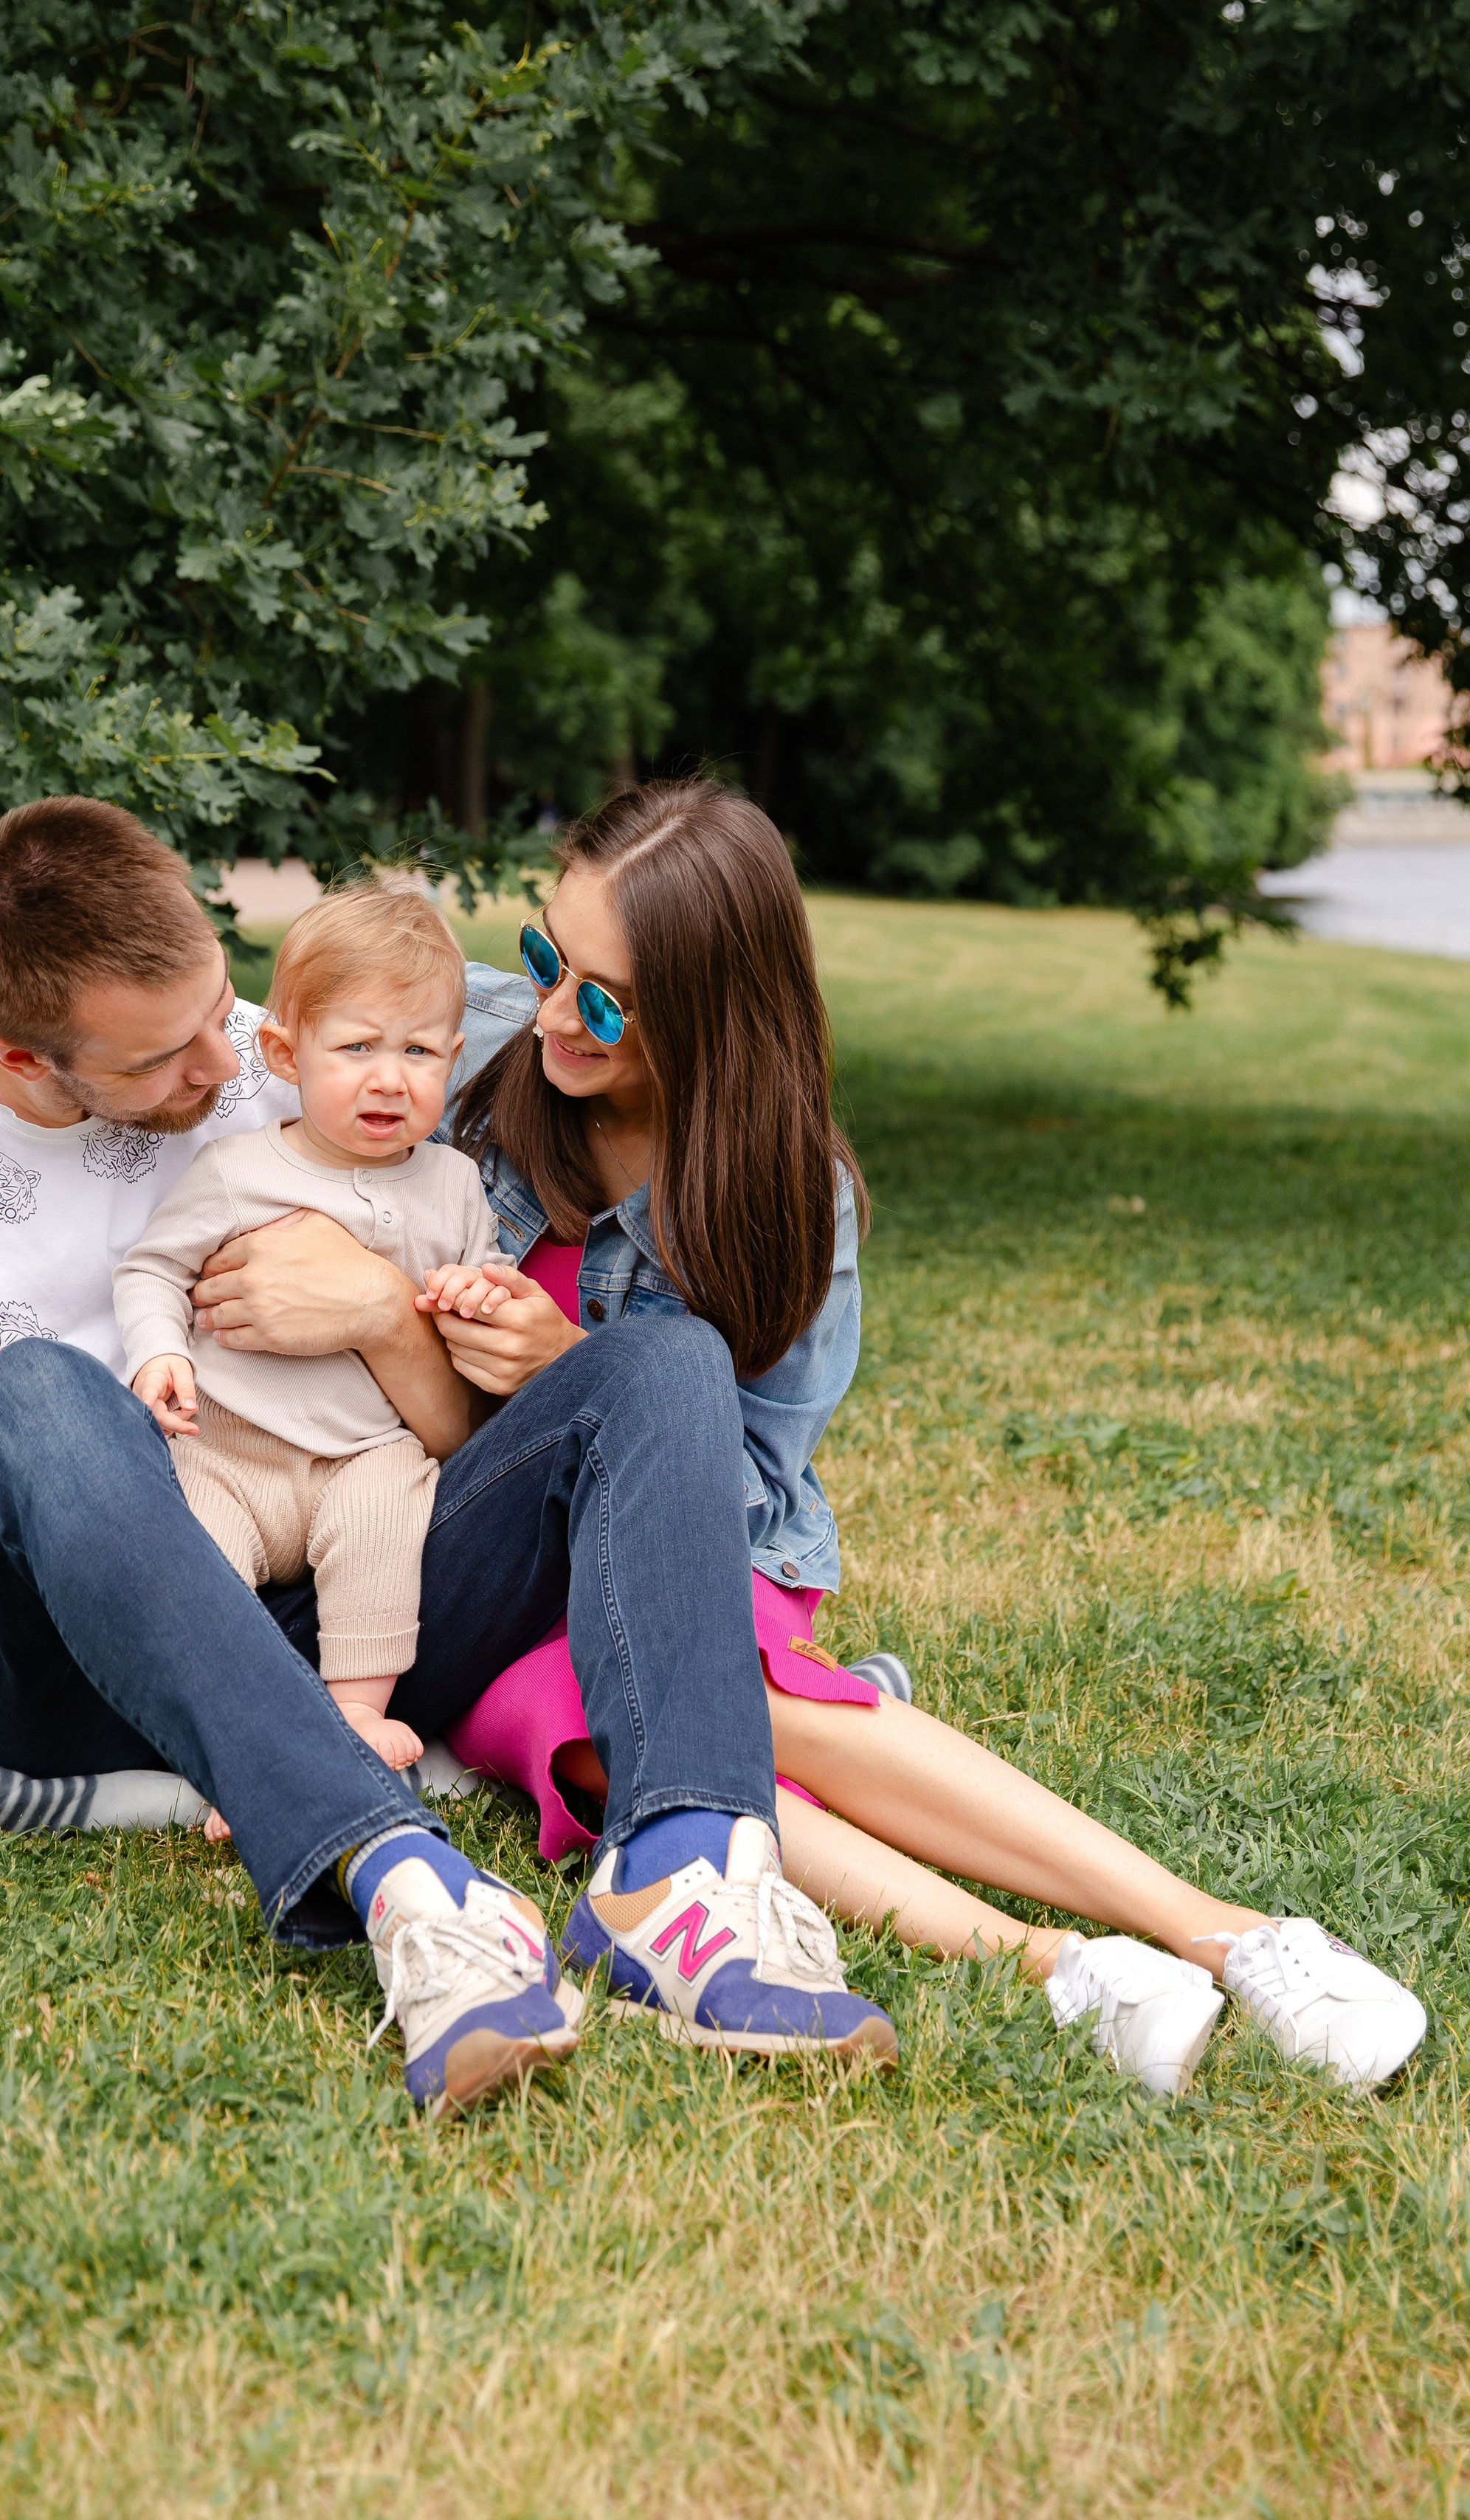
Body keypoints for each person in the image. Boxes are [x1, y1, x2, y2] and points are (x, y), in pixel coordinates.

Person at [0, 795, 894, 2116]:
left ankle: (685, 1872)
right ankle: (406, 1887)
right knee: (43, 1391)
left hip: (331, 1589)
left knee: (660, 1359)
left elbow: (429, 996)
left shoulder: (287, 1055)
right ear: (20, 1053)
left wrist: (384, 1312)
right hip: (25, 1665)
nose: (225, 1064)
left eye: (223, 1009)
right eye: (163, 1060)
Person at [395, 778, 1428, 2097]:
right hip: (470, 1574)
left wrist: (575, 1375)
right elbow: (240, 1045)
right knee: (610, 1717)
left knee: (699, 1697)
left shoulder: (786, 1196)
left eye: (602, 998)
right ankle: (1053, 1962)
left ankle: (1230, 1939)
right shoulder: (462, 1043)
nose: (551, 1013)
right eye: (550, 958)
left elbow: (745, 1489)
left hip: (691, 1547)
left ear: (714, 1012)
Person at [115, 884, 504, 1771]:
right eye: (357, 1046)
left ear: (451, 1058)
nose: (389, 1076)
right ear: (287, 1054)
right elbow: (153, 1268)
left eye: (416, 1051)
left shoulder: (454, 1183)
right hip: (231, 1449)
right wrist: (161, 1352)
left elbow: (490, 1278)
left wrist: (476, 1292)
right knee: (195, 1558)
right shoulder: (237, 1171)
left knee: (386, 1521)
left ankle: (353, 1717)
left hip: (362, 1450)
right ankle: (236, 1729)